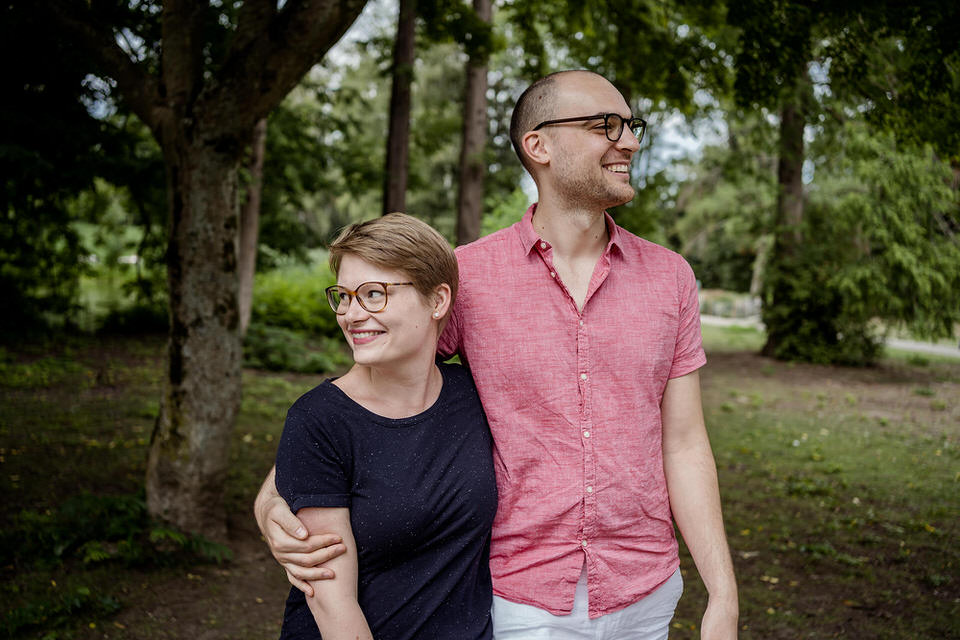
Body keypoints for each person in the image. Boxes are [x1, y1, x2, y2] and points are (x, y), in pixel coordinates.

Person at [255, 70, 738, 639]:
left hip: (646, 589)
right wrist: (274, 496)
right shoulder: (469, 277)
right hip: (519, 598)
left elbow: (683, 441)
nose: (629, 140)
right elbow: (379, 388)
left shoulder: (670, 278)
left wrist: (722, 596)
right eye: (607, 125)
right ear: (539, 146)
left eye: (632, 126)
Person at [270, 213, 497, 639]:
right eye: (343, 296)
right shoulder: (318, 420)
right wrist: (266, 505)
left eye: (374, 294)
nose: (351, 314)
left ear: (438, 300)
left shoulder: (475, 395)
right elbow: (336, 612)